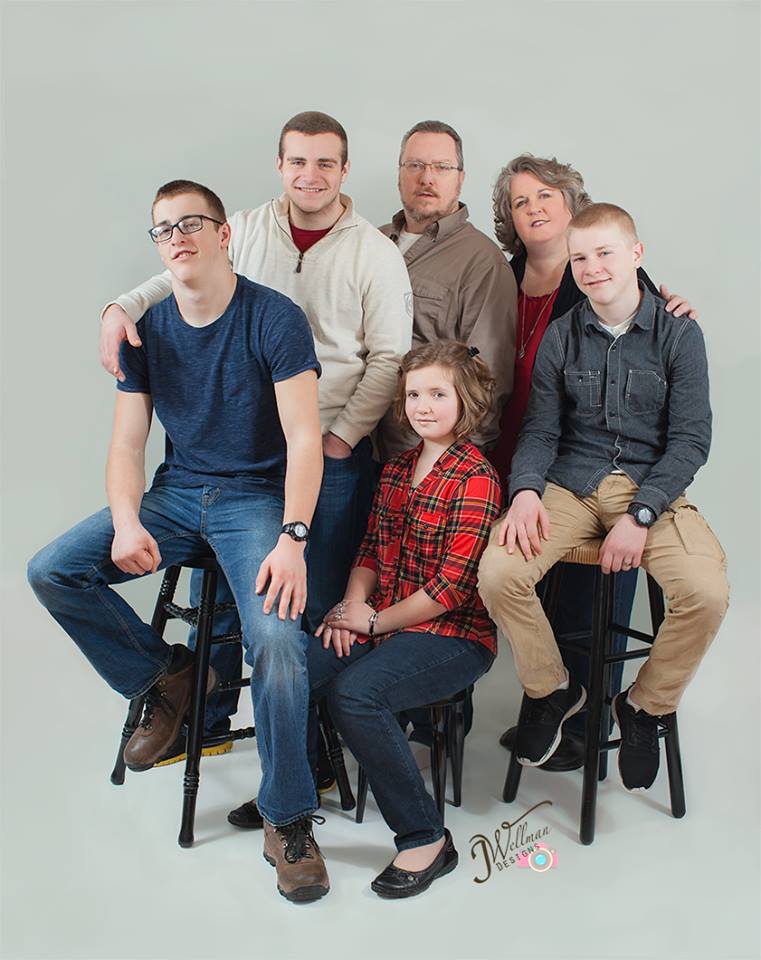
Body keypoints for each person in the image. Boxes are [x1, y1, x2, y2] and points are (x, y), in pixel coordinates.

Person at [28, 180, 331, 904]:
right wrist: (127, 518)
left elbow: (303, 437)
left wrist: (293, 537)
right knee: (52, 570)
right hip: (174, 498)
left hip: (255, 502)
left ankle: (287, 818)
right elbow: (126, 443)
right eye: (164, 229)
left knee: (279, 643)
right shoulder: (147, 329)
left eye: (191, 223)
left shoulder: (273, 317)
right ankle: (166, 676)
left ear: (224, 235)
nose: (177, 237)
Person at [98, 112, 413, 758]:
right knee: (216, 597)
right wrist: (121, 307)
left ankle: (312, 751)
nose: (310, 175)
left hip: (325, 447)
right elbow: (180, 268)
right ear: (279, 165)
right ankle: (207, 721)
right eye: (297, 161)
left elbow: (389, 358)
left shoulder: (373, 253)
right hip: (235, 447)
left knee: (308, 605)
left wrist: (341, 436)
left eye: (324, 162)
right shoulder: (242, 227)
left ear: (345, 170)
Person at [478, 203, 728, 789]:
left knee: (706, 591)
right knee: (498, 573)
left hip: (651, 488)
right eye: (580, 258)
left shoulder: (678, 334)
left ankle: (643, 707)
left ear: (636, 255)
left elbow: (691, 441)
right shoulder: (562, 335)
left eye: (605, 254)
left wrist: (641, 515)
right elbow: (541, 429)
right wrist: (525, 492)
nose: (592, 268)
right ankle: (553, 688)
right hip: (572, 484)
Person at [311, 340, 501, 897]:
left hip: (453, 635)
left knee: (355, 695)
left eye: (438, 394)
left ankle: (425, 837)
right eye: (414, 394)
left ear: (465, 401)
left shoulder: (477, 477)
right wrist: (348, 610)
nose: (423, 406)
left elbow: (449, 589)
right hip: (384, 617)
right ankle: (292, 800)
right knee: (297, 664)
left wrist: (373, 624)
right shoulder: (396, 470)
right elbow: (371, 548)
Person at [376, 120, 517, 460]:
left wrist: (449, 468)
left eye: (441, 167)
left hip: (421, 455)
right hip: (350, 445)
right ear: (399, 173)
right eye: (415, 165)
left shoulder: (483, 262)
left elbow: (487, 380)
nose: (427, 178)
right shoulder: (370, 242)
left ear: (460, 178)